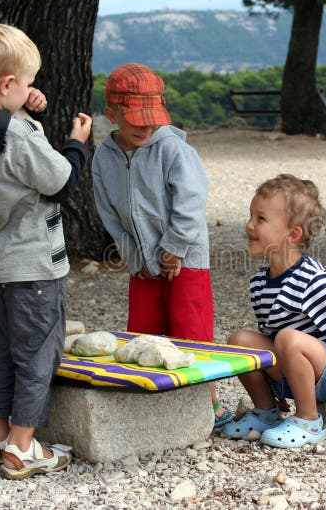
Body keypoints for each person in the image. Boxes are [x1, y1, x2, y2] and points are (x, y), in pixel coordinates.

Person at [0, 18, 92, 479]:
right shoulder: (17, 134)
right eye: (25, 83)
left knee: (2, 350)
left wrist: (26, 107)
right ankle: (22, 447)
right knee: (38, 354)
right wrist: (75, 144)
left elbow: (4, 152)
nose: (31, 89)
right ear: (7, 84)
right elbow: (58, 181)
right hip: (35, 264)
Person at [91, 63, 232, 428]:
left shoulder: (172, 149)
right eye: (135, 120)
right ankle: (153, 403)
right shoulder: (104, 157)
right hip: (142, 262)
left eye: (151, 118)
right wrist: (132, 254)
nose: (145, 127)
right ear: (111, 114)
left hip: (187, 259)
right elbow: (108, 212)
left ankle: (207, 405)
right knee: (143, 332)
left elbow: (189, 201)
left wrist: (174, 247)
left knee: (191, 331)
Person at [223, 174, 326, 448]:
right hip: (295, 368)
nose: (249, 225)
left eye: (261, 219)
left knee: (288, 338)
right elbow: (270, 340)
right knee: (239, 340)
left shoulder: (313, 281)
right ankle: (267, 411)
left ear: (292, 234)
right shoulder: (259, 282)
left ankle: (309, 420)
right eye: (251, 216)